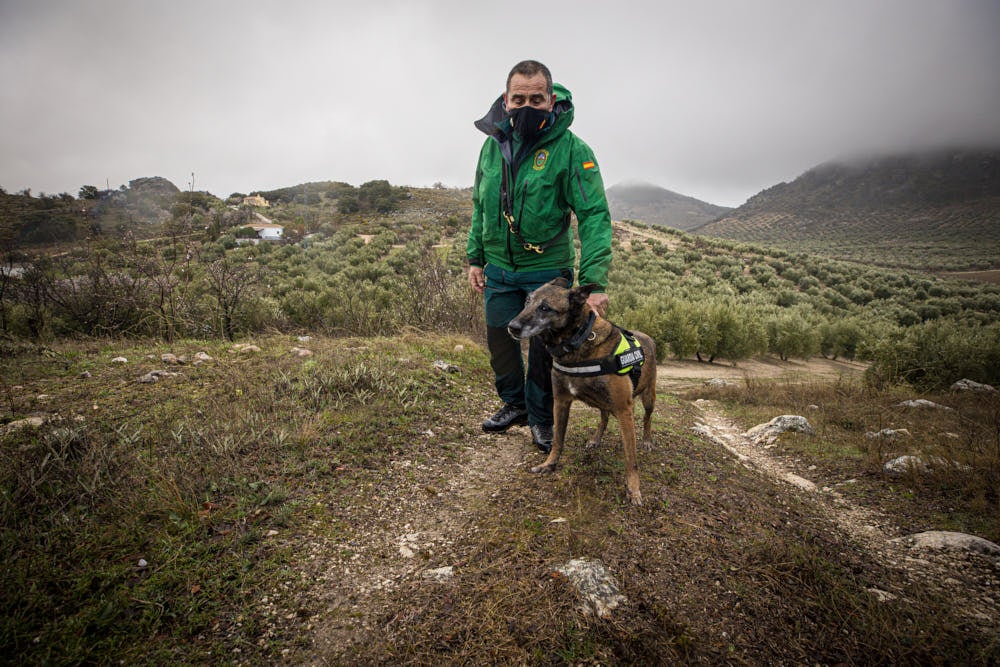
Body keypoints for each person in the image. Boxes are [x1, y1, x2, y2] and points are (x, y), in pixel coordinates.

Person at [467, 59, 613, 453]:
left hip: (547, 269)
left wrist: (594, 281)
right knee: (501, 338)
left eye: (536, 98)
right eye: (519, 98)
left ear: (551, 100)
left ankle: (542, 418)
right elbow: (481, 205)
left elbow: (594, 215)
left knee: (544, 350)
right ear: (506, 99)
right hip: (498, 266)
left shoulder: (572, 149)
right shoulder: (491, 144)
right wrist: (475, 256)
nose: (527, 106)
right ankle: (514, 404)